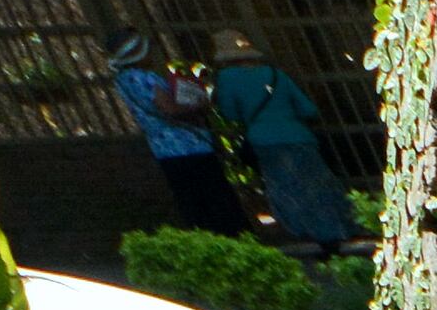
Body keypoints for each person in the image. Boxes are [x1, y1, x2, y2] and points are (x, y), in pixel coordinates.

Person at [204, 31, 354, 258]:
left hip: (264, 141)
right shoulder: (276, 74)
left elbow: (230, 113)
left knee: (287, 189)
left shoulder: (226, 78)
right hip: (300, 138)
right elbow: (307, 109)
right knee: (318, 187)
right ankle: (337, 231)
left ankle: (309, 234)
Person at [109, 33, 246, 235]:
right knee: (216, 198)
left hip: (163, 149)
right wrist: (200, 104)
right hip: (188, 145)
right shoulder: (147, 77)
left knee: (190, 201)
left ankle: (204, 238)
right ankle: (232, 235)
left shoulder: (122, 80)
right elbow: (169, 109)